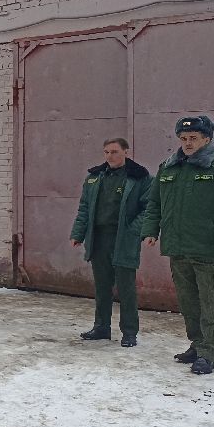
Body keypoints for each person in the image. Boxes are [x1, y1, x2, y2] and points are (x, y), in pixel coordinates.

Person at [142, 116, 214, 375]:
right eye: (183, 139)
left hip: (209, 248)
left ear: (207, 139)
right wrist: (151, 230)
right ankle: (197, 344)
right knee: (188, 302)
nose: (187, 143)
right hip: (178, 247)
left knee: (209, 302)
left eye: (193, 138)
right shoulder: (169, 167)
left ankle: (208, 353)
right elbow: (155, 203)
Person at [70, 138, 152, 347]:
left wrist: (133, 230)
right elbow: (85, 207)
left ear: (126, 151)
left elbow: (149, 208)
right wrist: (78, 234)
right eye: (106, 152)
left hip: (123, 239)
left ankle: (129, 332)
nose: (109, 156)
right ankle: (101, 327)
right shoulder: (95, 177)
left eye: (114, 152)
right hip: (99, 239)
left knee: (126, 288)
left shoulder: (139, 177)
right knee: (102, 287)